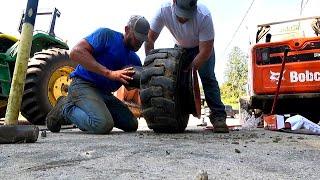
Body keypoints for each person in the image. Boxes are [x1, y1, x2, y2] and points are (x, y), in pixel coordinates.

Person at [46, 15, 150, 134]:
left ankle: (98, 110)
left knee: (131, 124)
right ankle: (65, 108)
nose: (139, 43)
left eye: (142, 40)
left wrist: (134, 83)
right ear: (127, 30)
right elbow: (75, 53)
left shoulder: (135, 60)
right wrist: (109, 73)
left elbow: (129, 87)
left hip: (105, 94)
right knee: (103, 124)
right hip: (83, 85)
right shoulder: (107, 35)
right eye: (137, 38)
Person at [145, 0, 229, 133]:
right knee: (174, 81)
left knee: (208, 78)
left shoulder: (204, 15)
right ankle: (175, 112)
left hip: (201, 48)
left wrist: (191, 69)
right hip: (180, 48)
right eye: (180, 14)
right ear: (174, 2)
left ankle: (218, 116)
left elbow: (206, 50)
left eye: (187, 15)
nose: (184, 18)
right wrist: (149, 65)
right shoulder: (163, 11)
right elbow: (149, 39)